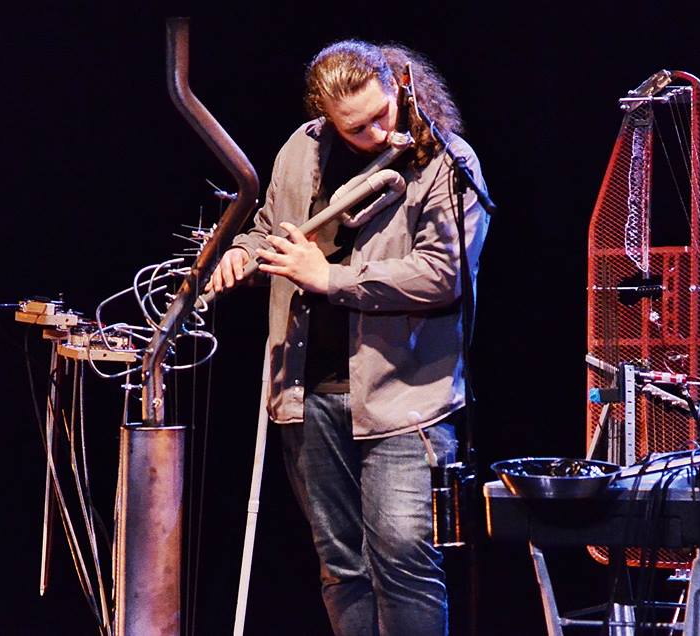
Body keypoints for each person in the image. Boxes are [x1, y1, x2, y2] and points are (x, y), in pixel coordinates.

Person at [208, 40, 489, 636]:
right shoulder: (299, 150)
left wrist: (330, 278)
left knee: (405, 563)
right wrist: (241, 251)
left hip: (402, 400)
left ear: (399, 87)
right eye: (355, 127)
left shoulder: (444, 163)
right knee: (341, 567)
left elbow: (442, 275)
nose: (375, 131)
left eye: (381, 113)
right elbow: (267, 228)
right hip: (307, 396)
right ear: (325, 118)